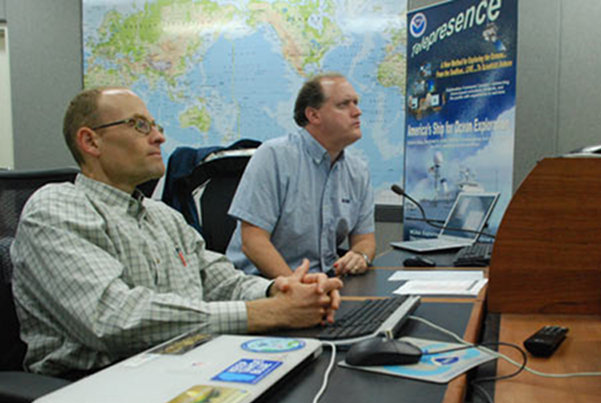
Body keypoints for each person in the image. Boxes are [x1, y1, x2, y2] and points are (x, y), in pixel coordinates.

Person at [11, 87, 343, 379]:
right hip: (97, 384)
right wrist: (266, 313)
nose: (158, 137)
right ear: (90, 141)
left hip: (184, 364)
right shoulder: (56, 208)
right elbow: (114, 319)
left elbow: (219, 280)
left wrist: (280, 290)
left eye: (156, 127)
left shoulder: (161, 215)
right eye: (140, 125)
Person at [226, 73, 376, 278]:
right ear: (314, 116)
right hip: (263, 284)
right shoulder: (274, 156)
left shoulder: (358, 170)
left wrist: (360, 256)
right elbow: (253, 242)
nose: (357, 112)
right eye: (344, 105)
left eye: (356, 103)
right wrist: (296, 288)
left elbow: (365, 239)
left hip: (322, 282)